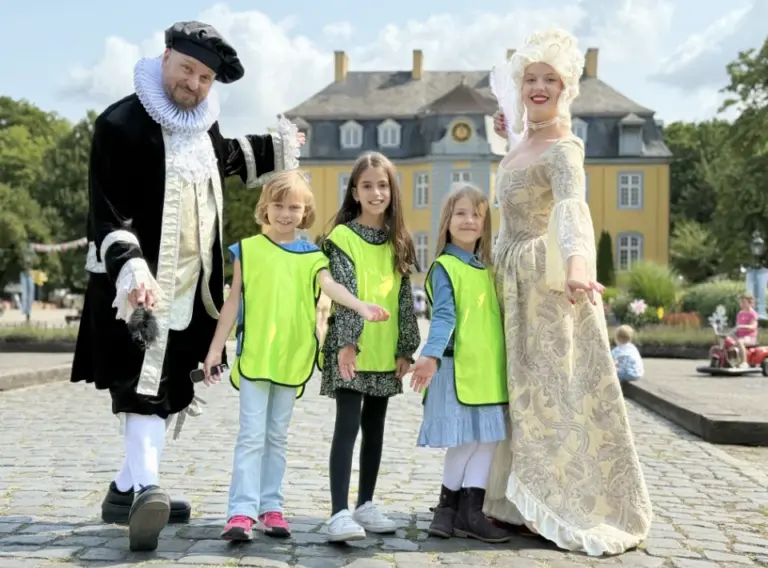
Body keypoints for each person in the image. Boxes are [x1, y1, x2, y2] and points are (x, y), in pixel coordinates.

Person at [69, 20, 305, 552]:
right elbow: (105, 208)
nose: (195, 84)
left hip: (194, 287)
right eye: (188, 70)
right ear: (166, 56)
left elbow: (219, 161)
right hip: (136, 285)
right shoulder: (121, 124)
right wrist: (131, 266)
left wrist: (276, 148)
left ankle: (125, 490)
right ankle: (148, 488)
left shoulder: (202, 124)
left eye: (205, 78)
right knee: (141, 382)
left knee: (168, 384)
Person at [485, 27, 652, 556]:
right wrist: (506, 129)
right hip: (507, 278)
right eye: (530, 78)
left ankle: (558, 498)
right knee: (516, 392)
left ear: (566, 88)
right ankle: (519, 499)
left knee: (549, 394)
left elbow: (572, 212)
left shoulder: (564, 147)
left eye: (549, 80)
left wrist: (578, 268)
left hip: (544, 282)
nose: (539, 87)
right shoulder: (521, 142)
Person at [200, 170, 390, 541]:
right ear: (265, 208)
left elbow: (330, 285)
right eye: (279, 205)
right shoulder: (248, 251)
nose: (286, 213)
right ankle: (240, 512)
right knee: (251, 436)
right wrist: (214, 349)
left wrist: (361, 306)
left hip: (292, 358)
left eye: (294, 207)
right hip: (256, 356)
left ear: (305, 213)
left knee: (277, 437)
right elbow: (233, 303)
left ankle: (271, 507)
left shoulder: (312, 256)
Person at [319, 152, 420, 542]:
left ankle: (366, 503)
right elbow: (345, 292)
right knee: (347, 427)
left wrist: (405, 349)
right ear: (355, 192)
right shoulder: (342, 237)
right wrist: (347, 343)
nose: (376, 192)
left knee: (375, 429)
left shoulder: (400, 241)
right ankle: (339, 512)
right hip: (352, 348)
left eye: (382, 185)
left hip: (384, 348)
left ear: (392, 191)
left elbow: (403, 299)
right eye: (367, 186)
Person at [410, 183, 509, 544]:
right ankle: (446, 510)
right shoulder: (445, 267)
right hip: (458, 368)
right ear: (447, 221)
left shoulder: (486, 270)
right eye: (461, 213)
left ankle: (469, 512)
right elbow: (444, 317)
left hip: (488, 371)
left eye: (477, 214)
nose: (469, 220)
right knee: (466, 442)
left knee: (487, 442)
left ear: (485, 223)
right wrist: (431, 355)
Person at [735, 292, 759, 367]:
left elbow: (753, 326)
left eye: (743, 302)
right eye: (740, 302)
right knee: (728, 341)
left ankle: (744, 362)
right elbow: (737, 327)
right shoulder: (740, 314)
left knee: (739, 341)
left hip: (750, 338)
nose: (741, 304)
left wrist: (744, 326)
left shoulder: (753, 314)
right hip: (740, 337)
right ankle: (732, 361)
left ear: (750, 302)